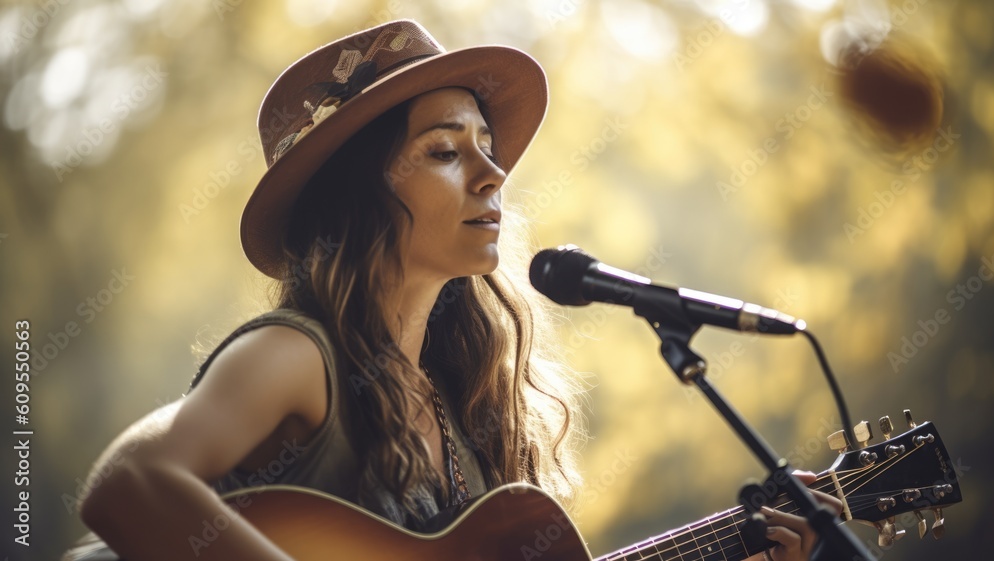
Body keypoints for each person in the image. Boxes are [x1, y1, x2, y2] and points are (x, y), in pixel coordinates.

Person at [70, 19, 838, 561]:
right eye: (444, 149)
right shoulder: (298, 355)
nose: (493, 173)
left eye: (487, 146)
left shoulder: (464, 416)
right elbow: (129, 484)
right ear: (358, 196)